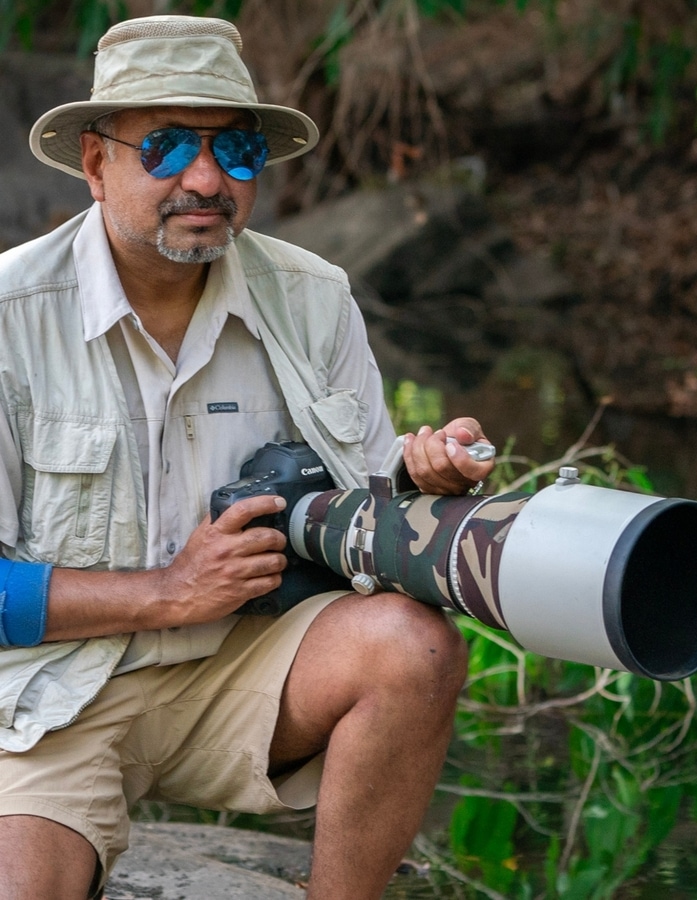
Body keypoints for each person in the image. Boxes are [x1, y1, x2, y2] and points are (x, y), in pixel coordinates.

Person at [0, 15, 494, 900]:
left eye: (235, 151)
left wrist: (425, 486)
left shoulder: (313, 297)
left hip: (243, 670)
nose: (204, 179)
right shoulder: (8, 315)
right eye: (165, 148)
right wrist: (165, 593)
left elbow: (365, 517)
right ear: (93, 162)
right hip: (46, 701)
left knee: (412, 648)